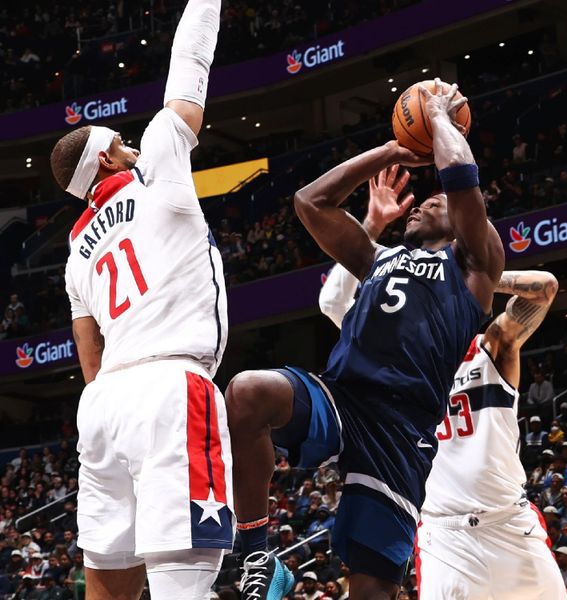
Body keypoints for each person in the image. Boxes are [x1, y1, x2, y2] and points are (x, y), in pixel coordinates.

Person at [225, 78, 505, 599]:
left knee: (371, 590)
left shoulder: (475, 265)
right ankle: (256, 553)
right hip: (343, 395)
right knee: (246, 392)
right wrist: (391, 150)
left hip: (399, 429)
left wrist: (438, 117)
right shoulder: (379, 257)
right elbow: (311, 202)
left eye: (435, 202)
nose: (422, 204)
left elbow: (463, 179)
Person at [49, 0, 233, 598]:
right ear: (106, 158)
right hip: (169, 388)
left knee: (108, 585)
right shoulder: (157, 162)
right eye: (120, 142)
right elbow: (190, 63)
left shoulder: (76, 252)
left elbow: (89, 360)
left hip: (103, 407)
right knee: (185, 587)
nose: (132, 143)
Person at [319, 204, 564, 597]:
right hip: (443, 536)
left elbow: (546, 286)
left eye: (436, 204)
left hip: (509, 525)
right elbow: (332, 303)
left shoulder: (490, 349)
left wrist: (465, 274)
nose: (421, 207)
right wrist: (373, 224)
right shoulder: (399, 358)